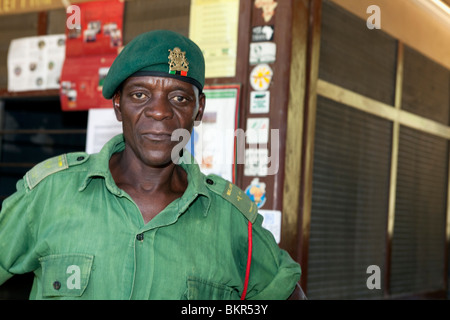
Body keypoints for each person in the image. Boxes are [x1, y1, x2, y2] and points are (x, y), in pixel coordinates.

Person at [0, 30, 302, 300]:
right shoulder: (50, 194)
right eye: (140, 94)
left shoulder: (232, 222)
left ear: (199, 110)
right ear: (118, 104)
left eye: (180, 98)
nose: (159, 112)